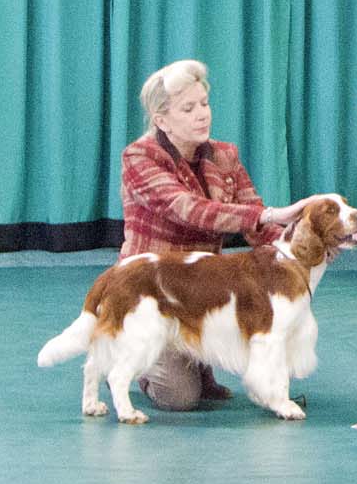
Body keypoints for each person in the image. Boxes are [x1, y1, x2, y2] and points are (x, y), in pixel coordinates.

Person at [118, 59, 314, 411]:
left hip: (203, 288)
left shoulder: (225, 156)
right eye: (188, 108)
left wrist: (305, 247)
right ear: (161, 120)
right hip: (153, 293)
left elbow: (258, 225)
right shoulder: (139, 157)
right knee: (179, 398)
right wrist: (269, 214)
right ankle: (129, 361)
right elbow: (189, 209)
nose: (202, 115)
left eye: (204, 104)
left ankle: (196, 357)